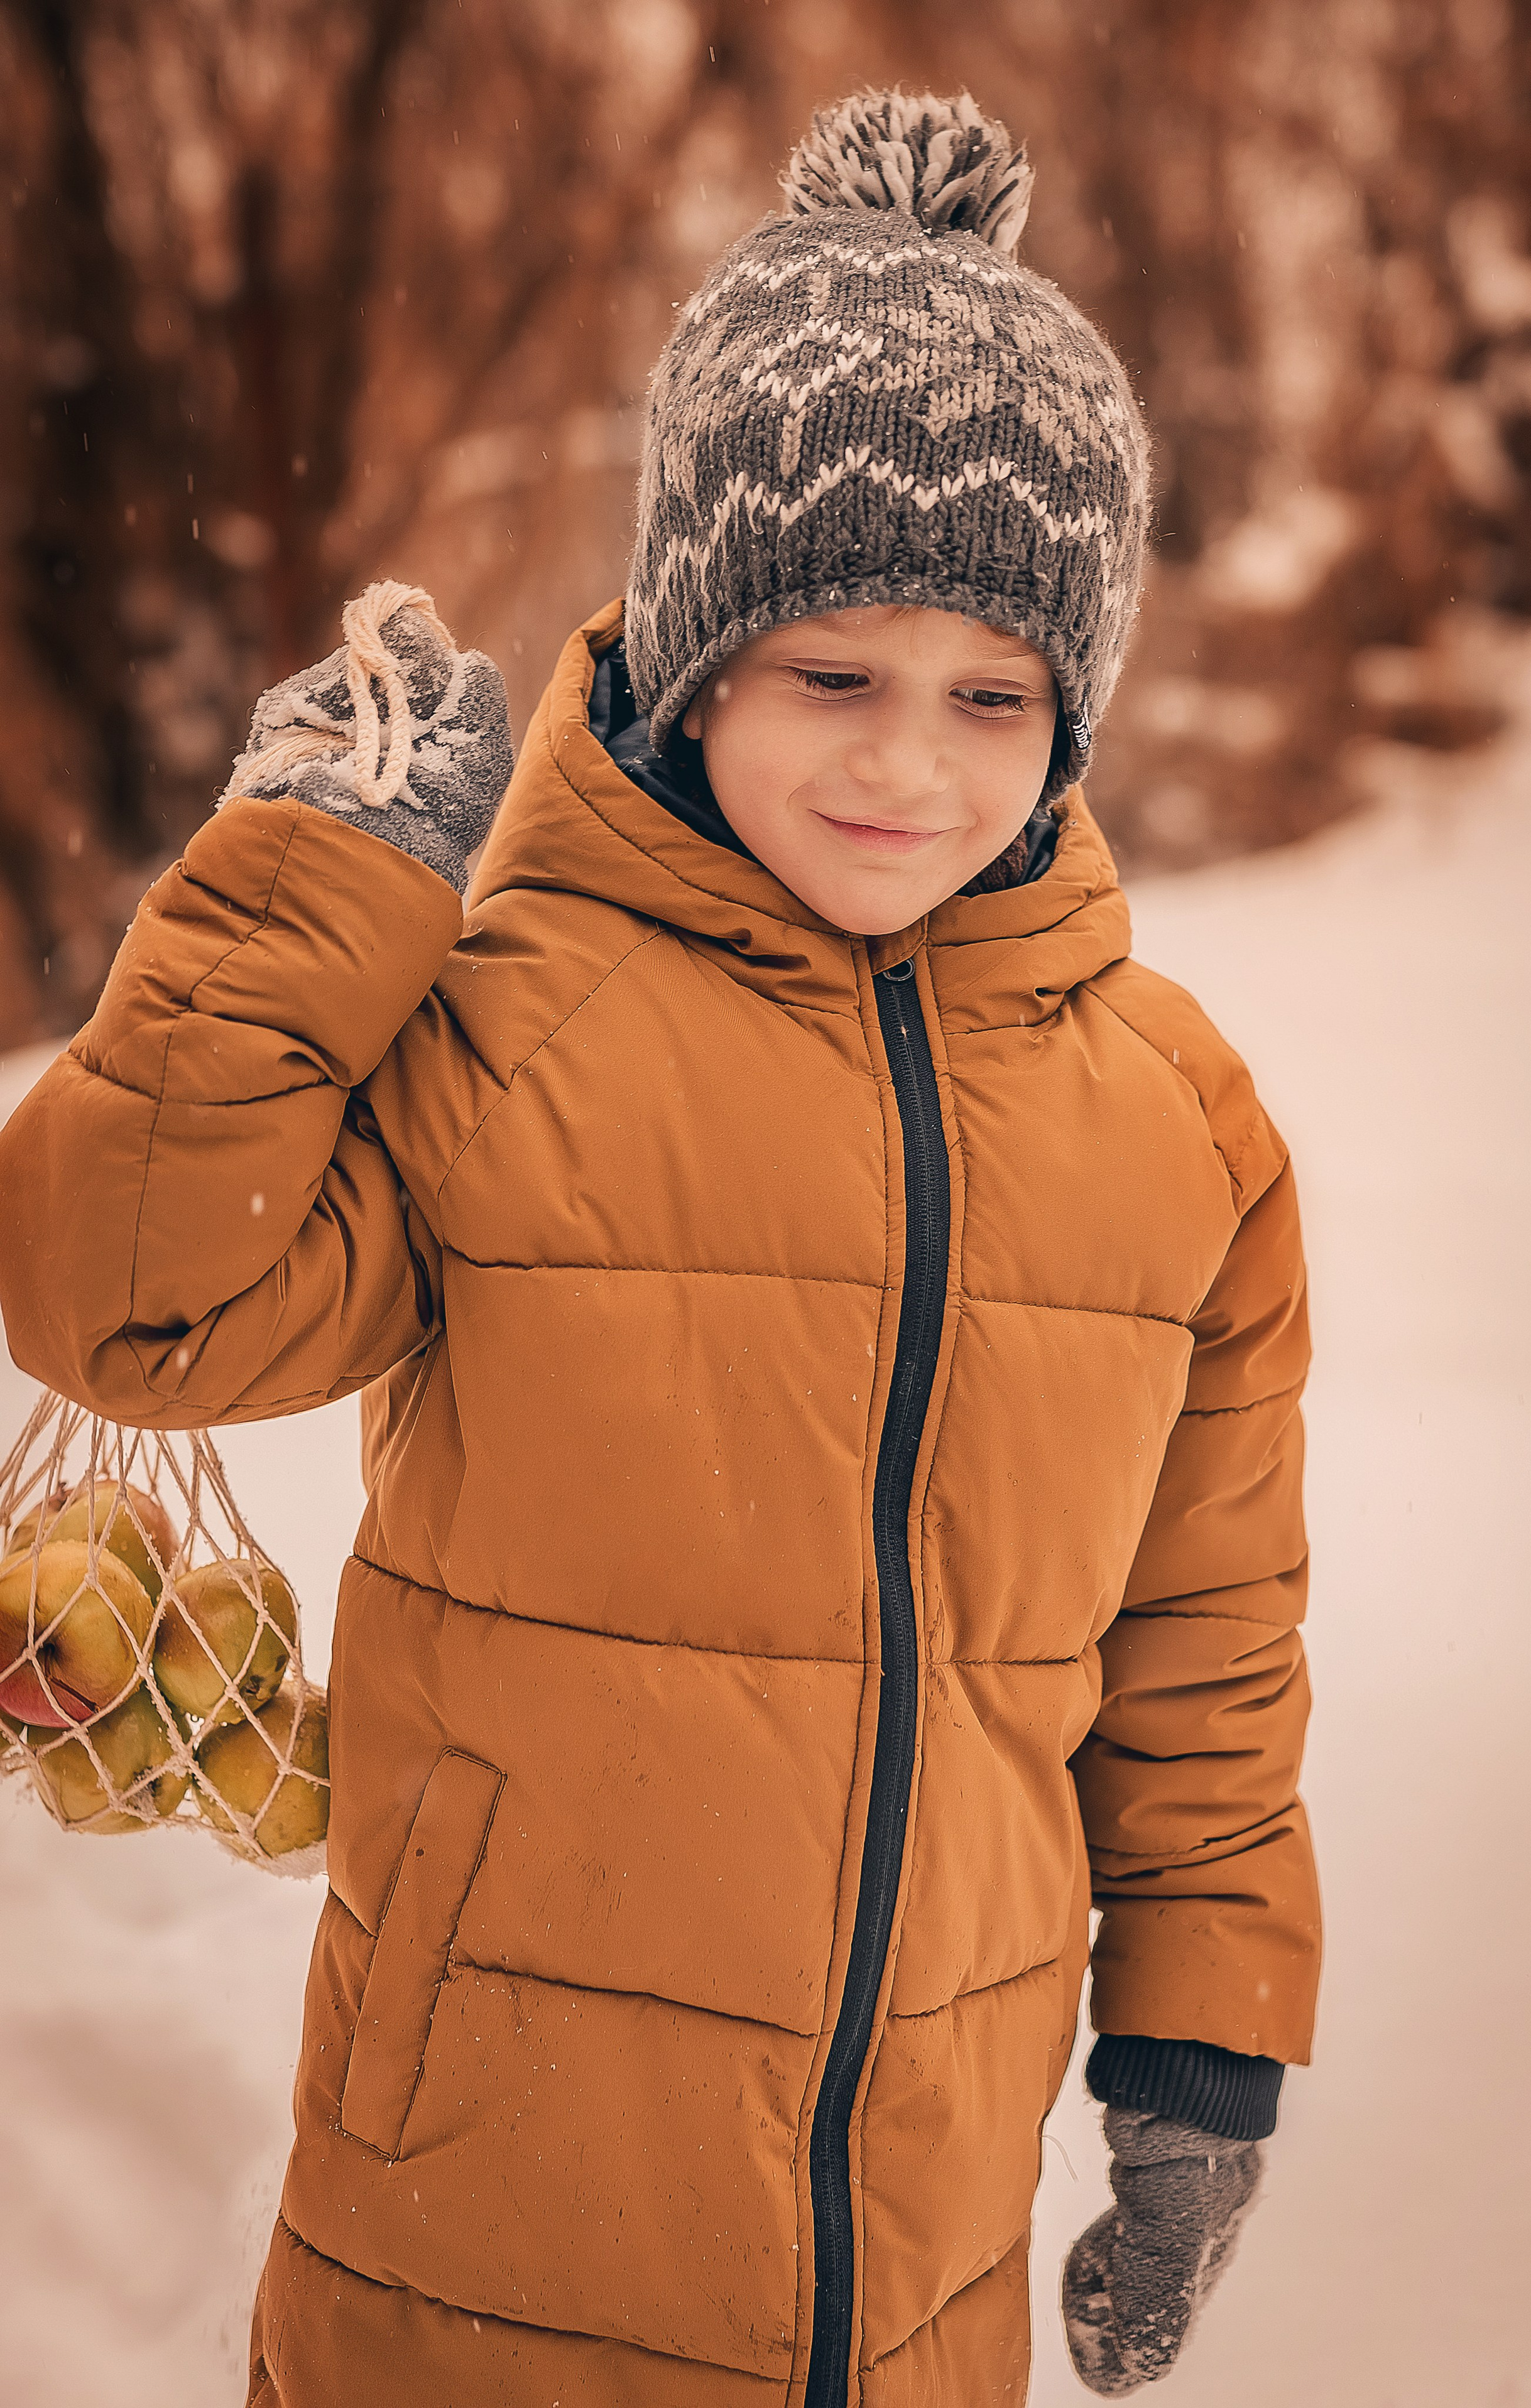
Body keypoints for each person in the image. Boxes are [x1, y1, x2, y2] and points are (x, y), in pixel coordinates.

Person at [0, 88, 1320, 2408]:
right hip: (465, 2234)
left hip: (914, 2262)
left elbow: (1205, 1648)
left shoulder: (1173, 1119)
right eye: (833, 673)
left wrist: (1203, 2040)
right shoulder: (515, 1023)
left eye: (993, 696)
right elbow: (129, 1299)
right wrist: (309, 890)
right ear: (699, 651)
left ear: (1072, 709)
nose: (911, 766)